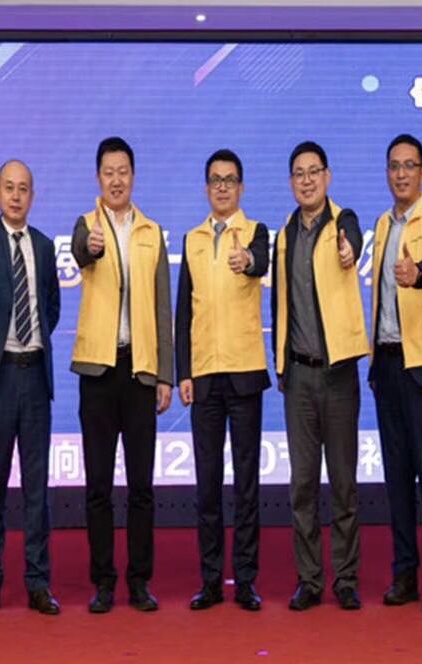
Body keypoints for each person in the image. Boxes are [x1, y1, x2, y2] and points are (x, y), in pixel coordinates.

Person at [70, 137, 173, 613]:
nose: (116, 180)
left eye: (123, 171)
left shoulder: (151, 231)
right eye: (108, 172)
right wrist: (89, 248)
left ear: (133, 176)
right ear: (98, 178)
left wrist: (165, 374)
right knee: (97, 486)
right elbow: (81, 251)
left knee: (141, 487)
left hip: (139, 372)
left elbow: (162, 306)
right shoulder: (86, 225)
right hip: (98, 370)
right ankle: (104, 581)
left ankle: (139, 580)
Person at [0, 159, 62, 616]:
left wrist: (33, 339)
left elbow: (52, 306)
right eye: (9, 188)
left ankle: (38, 583)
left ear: (32, 196)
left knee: (36, 489)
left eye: (23, 189)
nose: (16, 196)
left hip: (35, 375)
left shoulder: (43, 245)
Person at [271, 141, 368, 611]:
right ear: (291, 182)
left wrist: (350, 249)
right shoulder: (285, 235)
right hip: (299, 376)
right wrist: (280, 363)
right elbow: (280, 303)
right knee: (303, 485)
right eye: (299, 173)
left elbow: (354, 242)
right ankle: (309, 579)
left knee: (344, 483)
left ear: (327, 177)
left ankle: (345, 578)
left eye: (314, 172)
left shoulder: (343, 222)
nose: (306, 180)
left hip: (339, 372)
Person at [175, 149, 269, 611]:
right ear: (206, 187)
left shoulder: (256, 232)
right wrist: (183, 372)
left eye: (230, 180)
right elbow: (182, 313)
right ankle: (211, 579)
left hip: (245, 372)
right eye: (215, 180)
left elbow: (261, 262)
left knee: (246, 484)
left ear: (241, 187)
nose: (223, 187)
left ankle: (246, 579)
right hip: (206, 377)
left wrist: (247, 259)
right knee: (207, 484)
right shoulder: (192, 239)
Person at [369, 133, 422, 612]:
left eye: (409, 165)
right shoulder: (383, 224)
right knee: (397, 477)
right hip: (386, 363)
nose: (401, 174)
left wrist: (418, 273)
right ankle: (404, 573)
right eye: (394, 166)